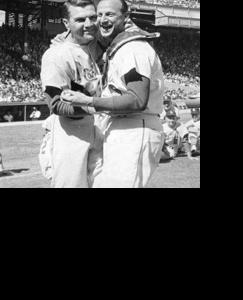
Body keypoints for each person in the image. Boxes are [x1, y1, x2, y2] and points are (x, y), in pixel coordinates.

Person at [61, 0, 165, 188]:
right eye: (99, 15)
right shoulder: (120, 46)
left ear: (126, 17)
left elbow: (137, 100)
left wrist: (89, 101)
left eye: (109, 14)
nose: (102, 20)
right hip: (122, 126)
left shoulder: (133, 48)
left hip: (135, 126)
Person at [40, 0, 103, 188]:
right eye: (80, 19)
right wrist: (100, 108)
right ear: (66, 23)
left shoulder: (95, 44)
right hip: (71, 136)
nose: (89, 24)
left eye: (93, 17)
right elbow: (56, 105)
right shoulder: (57, 55)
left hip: (99, 130)